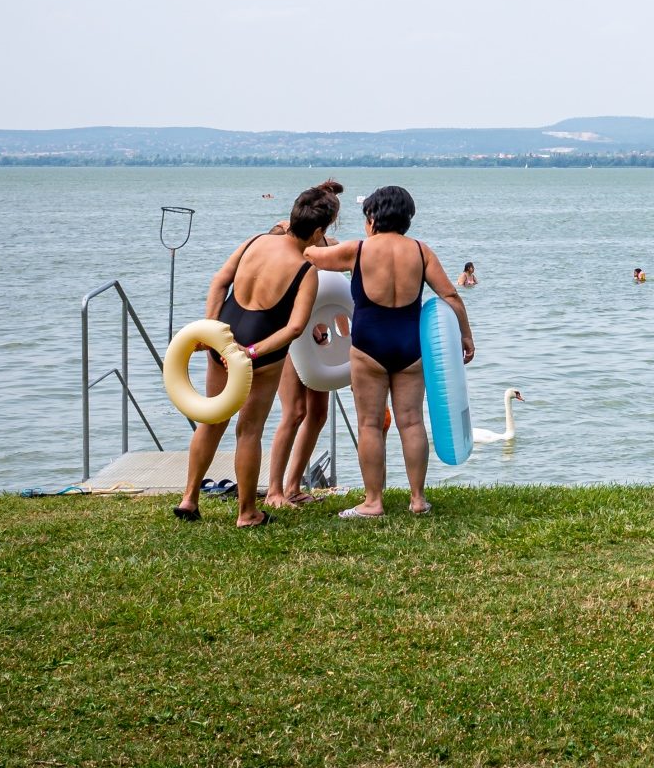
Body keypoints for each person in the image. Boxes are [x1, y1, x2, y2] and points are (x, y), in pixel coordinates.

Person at [305, 186, 473, 519]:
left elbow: (311, 255)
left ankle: (373, 502)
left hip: (369, 348)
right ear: (407, 218)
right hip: (411, 347)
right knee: (411, 422)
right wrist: (465, 336)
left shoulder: (358, 250)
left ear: (372, 217)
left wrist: (305, 230)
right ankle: (418, 500)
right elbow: (451, 296)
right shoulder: (421, 252)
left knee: (369, 424)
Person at [176, 185, 332, 526]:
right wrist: (251, 352)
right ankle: (247, 512)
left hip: (222, 338)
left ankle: (189, 499)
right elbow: (293, 328)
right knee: (249, 430)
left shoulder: (254, 241)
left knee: (212, 420)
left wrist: (209, 330)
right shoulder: (306, 270)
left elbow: (219, 282)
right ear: (319, 232)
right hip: (259, 353)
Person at [264, 181, 348, 510]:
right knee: (294, 411)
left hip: (317, 337)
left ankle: (293, 485)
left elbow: (334, 296)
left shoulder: (328, 245)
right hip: (287, 333)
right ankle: (274, 490)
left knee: (318, 413)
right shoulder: (281, 236)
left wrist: (341, 340)